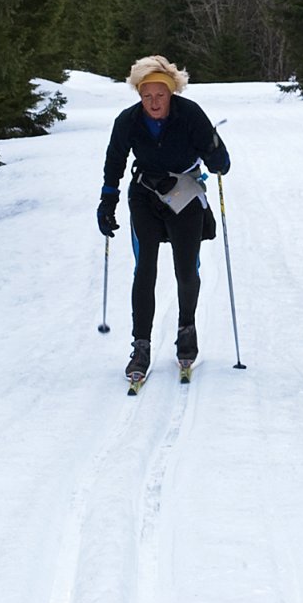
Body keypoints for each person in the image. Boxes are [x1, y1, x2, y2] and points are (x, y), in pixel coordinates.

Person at [97, 55, 230, 383]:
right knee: (145, 269)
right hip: (144, 194)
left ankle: (187, 329)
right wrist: (107, 200)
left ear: (172, 92)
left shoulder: (190, 114)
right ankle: (140, 345)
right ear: (139, 95)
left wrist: (218, 158)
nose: (154, 103)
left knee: (187, 270)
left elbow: (218, 156)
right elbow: (115, 160)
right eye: (147, 96)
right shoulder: (128, 121)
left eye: (160, 95)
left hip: (184, 192)